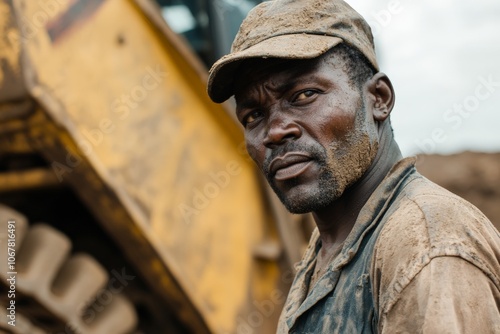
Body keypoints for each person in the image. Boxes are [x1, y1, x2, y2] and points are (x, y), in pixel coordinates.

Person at [207, 0, 500, 332]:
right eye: (253, 116)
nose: (274, 131)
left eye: (304, 95)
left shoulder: (425, 245)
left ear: (379, 98)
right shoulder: (331, 244)